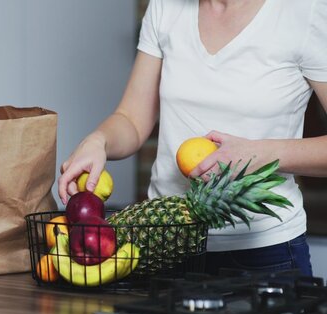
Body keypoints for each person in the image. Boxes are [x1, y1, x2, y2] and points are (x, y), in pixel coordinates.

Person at [57, 0, 327, 277]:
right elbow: (132, 120)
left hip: (266, 252)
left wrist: (257, 155)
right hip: (164, 240)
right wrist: (98, 141)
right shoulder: (166, 6)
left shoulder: (306, 11)